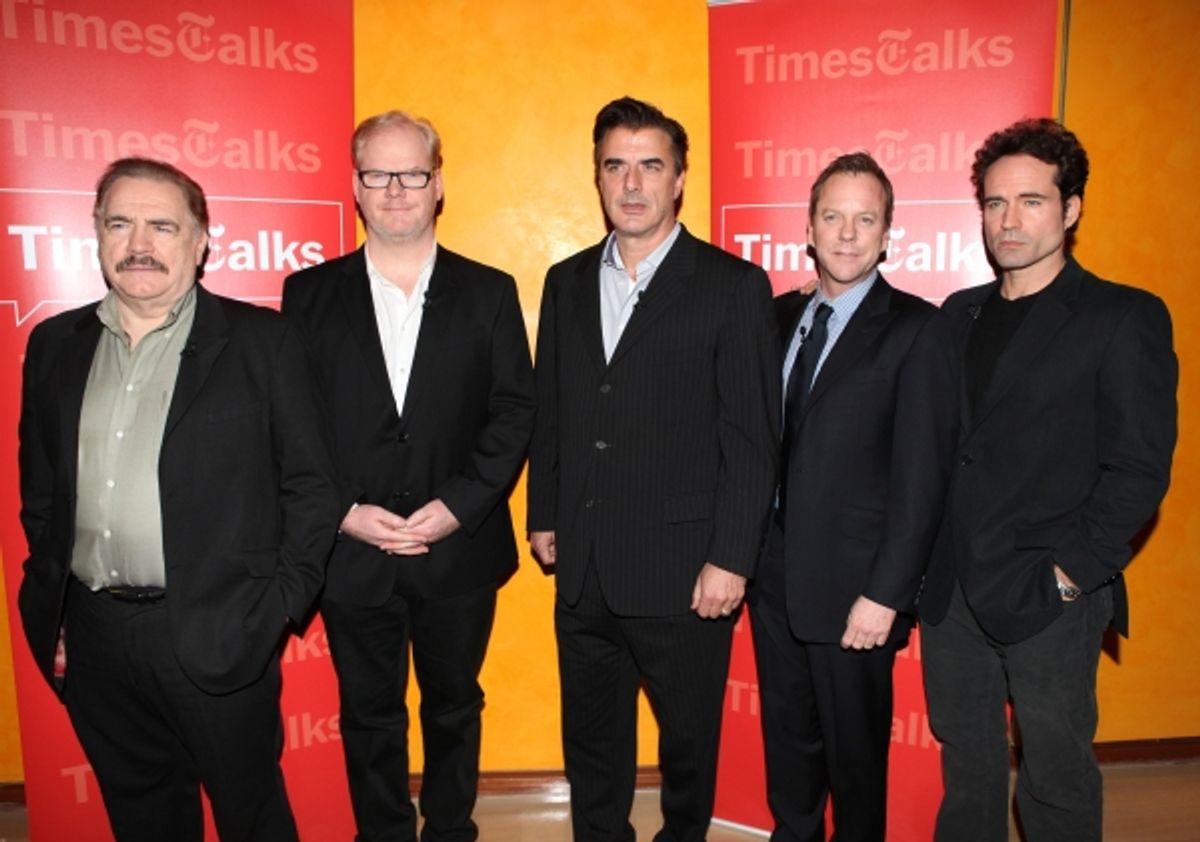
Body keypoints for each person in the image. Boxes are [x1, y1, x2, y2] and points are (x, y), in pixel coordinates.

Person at [17, 157, 340, 842]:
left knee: (252, 817)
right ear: (97, 236)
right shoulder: (54, 345)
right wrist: (53, 597)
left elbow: (313, 486)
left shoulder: (263, 343)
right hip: (95, 637)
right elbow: (41, 492)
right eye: (120, 223)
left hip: (220, 630)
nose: (139, 244)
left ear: (201, 243)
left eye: (163, 226)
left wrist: (276, 606)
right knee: (143, 818)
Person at [527, 96, 779, 841]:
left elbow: (752, 440)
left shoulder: (732, 286)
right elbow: (553, 411)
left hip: (685, 571)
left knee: (689, 748)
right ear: (598, 176)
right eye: (616, 165)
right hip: (584, 565)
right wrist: (545, 513)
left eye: (650, 165)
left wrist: (731, 559)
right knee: (593, 745)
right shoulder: (565, 281)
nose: (631, 183)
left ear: (678, 180)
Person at [919, 118, 1178, 841]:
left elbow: (1139, 469)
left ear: (1071, 209)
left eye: (1032, 201)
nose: (1009, 220)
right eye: (996, 203)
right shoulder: (958, 313)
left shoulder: (1121, 317)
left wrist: (1068, 576)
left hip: (1051, 596)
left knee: (1056, 776)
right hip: (952, 595)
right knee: (965, 770)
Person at [281, 111, 535, 842]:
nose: (396, 190)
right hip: (351, 551)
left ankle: (451, 830)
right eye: (377, 174)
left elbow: (515, 410)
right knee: (368, 714)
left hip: (459, 549)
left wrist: (459, 506)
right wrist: (341, 512)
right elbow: (291, 426)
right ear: (355, 187)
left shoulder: (489, 293)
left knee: (455, 705)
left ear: (439, 185)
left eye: (412, 173)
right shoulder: (308, 296)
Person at [751, 152, 957, 841]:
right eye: (832, 217)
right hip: (771, 577)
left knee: (856, 763)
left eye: (864, 219)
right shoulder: (775, 319)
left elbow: (923, 480)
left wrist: (887, 594)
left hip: (856, 593)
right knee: (789, 748)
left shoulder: (916, 330)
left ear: (887, 232)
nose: (846, 234)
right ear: (807, 228)